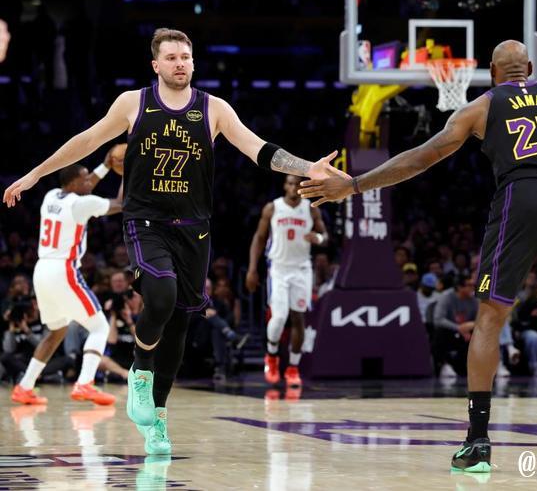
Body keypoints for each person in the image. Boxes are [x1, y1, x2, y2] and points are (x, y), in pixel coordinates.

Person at [298, 39, 537, 472]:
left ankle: (477, 442)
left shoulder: (481, 106)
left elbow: (424, 157)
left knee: (490, 316)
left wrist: (355, 184)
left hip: (520, 201)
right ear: (530, 67)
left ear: (491, 72)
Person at [3, 28, 346, 455]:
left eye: (185, 57)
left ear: (193, 62)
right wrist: (35, 174)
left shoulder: (214, 109)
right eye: (171, 57)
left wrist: (308, 166)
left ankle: (158, 420)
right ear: (156, 65)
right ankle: (140, 371)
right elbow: (87, 141)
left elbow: (259, 149)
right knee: (161, 295)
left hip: (194, 228)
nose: (180, 63)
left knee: (180, 324)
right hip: (146, 221)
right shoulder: (133, 103)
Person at [10, 159, 122, 406]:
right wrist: (126, 173)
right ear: (73, 183)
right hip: (64, 269)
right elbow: (121, 204)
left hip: (42, 270)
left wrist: (106, 165)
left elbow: (86, 186)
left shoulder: (51, 196)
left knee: (57, 331)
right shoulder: (81, 204)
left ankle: (25, 386)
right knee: (99, 327)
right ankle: (85, 383)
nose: (89, 181)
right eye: (85, 178)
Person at [246, 174, 328, 388]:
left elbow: (325, 236)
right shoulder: (273, 208)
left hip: (301, 269)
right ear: (285, 185)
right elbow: (259, 238)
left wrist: (318, 238)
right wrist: (252, 269)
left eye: (297, 184)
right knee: (280, 316)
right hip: (279, 268)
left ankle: (293, 368)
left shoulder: (311, 209)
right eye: (290, 184)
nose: (293, 187)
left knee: (298, 318)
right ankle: (272, 355)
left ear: (302, 187)